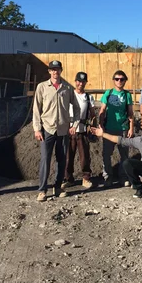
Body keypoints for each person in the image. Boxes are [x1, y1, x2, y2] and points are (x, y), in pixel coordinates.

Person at [33, 60, 80, 201]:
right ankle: (42, 190)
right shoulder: (42, 87)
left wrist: (74, 125)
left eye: (57, 69)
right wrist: (37, 128)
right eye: (52, 69)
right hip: (47, 129)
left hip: (63, 130)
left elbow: (77, 107)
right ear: (49, 71)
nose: (55, 72)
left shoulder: (67, 88)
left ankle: (58, 187)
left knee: (61, 159)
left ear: (61, 70)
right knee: (45, 160)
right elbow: (36, 109)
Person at [98, 70, 134, 187]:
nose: (119, 81)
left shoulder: (127, 95)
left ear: (125, 81)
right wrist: (100, 124)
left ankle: (123, 177)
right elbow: (102, 110)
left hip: (122, 129)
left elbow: (130, 113)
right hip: (109, 129)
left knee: (124, 155)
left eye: (122, 79)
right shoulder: (108, 93)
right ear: (114, 80)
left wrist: (131, 128)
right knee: (106, 154)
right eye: (117, 79)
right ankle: (108, 176)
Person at [62, 72, 96, 190]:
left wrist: (91, 126)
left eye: (82, 81)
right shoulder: (69, 95)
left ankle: (86, 178)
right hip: (69, 130)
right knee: (68, 156)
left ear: (86, 82)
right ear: (75, 81)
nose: (80, 84)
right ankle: (68, 178)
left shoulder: (88, 97)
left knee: (84, 156)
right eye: (78, 81)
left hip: (82, 131)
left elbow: (92, 115)